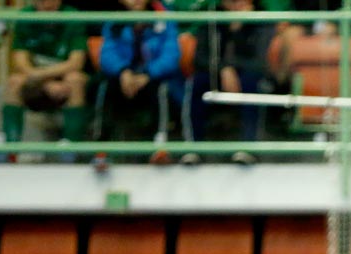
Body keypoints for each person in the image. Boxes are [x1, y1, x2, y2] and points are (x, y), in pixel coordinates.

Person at [180, 0, 278, 164]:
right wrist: (224, 69)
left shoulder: (262, 21)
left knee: (252, 84)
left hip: (249, 74)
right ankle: (193, 147)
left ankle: (248, 148)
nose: (235, 4)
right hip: (216, 73)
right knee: (196, 83)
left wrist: (239, 30)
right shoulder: (212, 19)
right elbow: (200, 58)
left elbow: (260, 62)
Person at [0, 0, 91, 160]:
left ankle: (70, 148)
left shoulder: (72, 16)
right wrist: (45, 83)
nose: (45, 3)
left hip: (63, 83)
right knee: (14, 81)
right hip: (35, 83)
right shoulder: (25, 16)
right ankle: (10, 148)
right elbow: (20, 61)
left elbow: (76, 62)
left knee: (76, 79)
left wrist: (46, 77)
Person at [97, 0, 183, 159]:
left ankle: (160, 146)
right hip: (125, 77)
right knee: (106, 87)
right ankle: (101, 148)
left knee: (161, 89)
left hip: (154, 76)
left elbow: (172, 54)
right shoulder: (114, 21)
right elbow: (107, 53)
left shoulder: (164, 17)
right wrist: (123, 72)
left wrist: (148, 74)